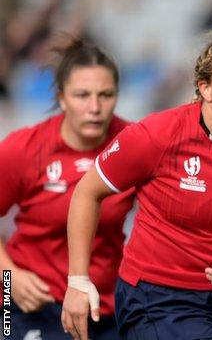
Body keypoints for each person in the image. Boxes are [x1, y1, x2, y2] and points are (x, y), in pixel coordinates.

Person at [61, 30, 212, 340]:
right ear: (205, 89)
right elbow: (88, 192)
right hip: (159, 299)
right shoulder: (159, 134)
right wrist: (78, 280)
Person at [0, 36, 134, 339]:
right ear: (61, 98)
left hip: (106, 305)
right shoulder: (24, 149)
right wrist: (10, 278)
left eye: (106, 95)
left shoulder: (132, 146)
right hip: (25, 302)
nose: (95, 107)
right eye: (82, 95)